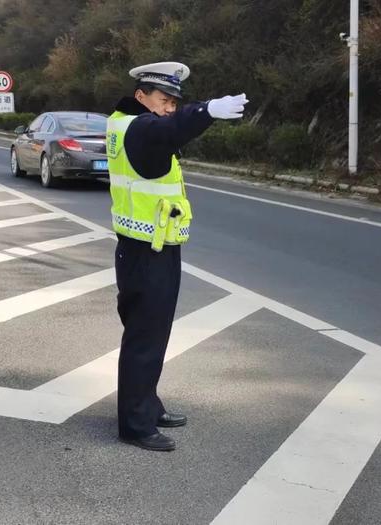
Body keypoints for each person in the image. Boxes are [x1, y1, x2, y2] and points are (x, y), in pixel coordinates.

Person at [107, 62, 248, 451]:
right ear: (141, 97)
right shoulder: (140, 128)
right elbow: (169, 128)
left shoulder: (126, 123)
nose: (169, 108)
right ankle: (136, 425)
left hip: (149, 248)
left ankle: (148, 406)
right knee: (144, 338)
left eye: (174, 102)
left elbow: (167, 129)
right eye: (163, 99)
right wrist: (206, 112)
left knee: (151, 334)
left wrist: (198, 111)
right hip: (145, 252)